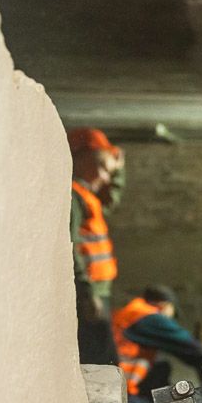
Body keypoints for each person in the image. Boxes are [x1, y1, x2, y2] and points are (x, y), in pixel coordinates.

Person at [69, 126, 123, 365]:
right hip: (88, 295)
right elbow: (70, 247)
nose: (105, 178)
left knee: (103, 360)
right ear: (81, 160)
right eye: (101, 168)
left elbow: (112, 195)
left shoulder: (87, 195)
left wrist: (118, 170)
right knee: (101, 362)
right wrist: (87, 293)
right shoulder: (73, 196)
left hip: (96, 292)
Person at [112, 285, 202, 403]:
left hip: (117, 384)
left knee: (161, 366)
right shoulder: (149, 318)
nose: (170, 320)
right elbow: (194, 349)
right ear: (165, 305)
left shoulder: (132, 311)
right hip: (126, 392)